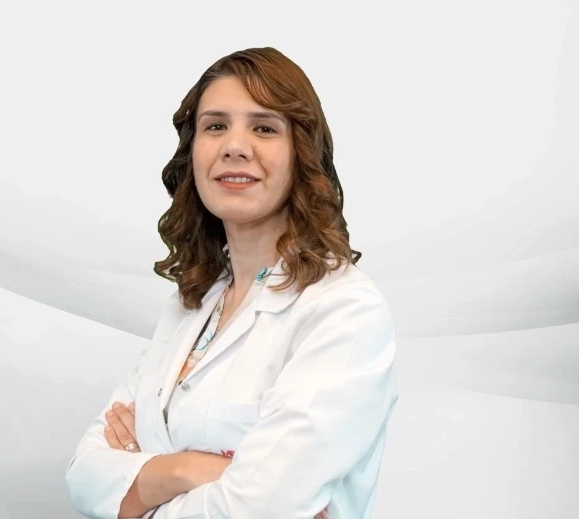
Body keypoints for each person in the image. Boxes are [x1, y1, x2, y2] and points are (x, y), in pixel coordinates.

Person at [65, 46, 398, 519]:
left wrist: (140, 482)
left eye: (264, 128)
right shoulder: (193, 303)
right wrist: (189, 468)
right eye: (216, 126)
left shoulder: (344, 311)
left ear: (302, 153)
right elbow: (84, 476)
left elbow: (260, 508)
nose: (234, 146)